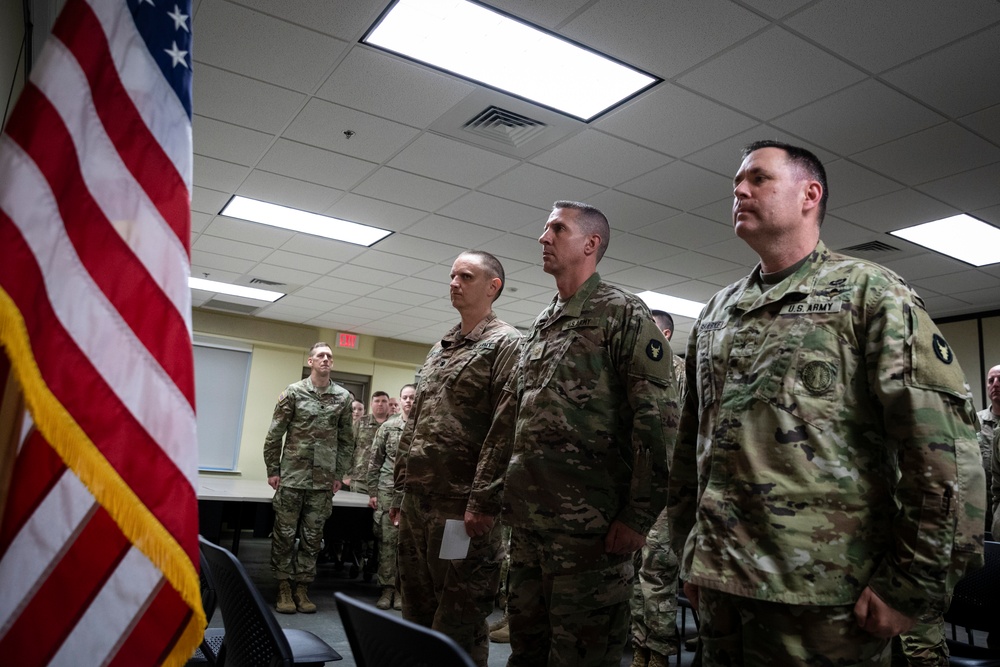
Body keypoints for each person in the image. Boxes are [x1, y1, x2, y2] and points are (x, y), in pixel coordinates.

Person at [667, 140, 985, 666]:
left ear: (809, 193)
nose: (740, 191)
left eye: (758, 179)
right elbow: (690, 447)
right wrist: (691, 555)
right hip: (722, 588)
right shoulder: (718, 311)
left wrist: (911, 587)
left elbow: (944, 456)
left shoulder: (871, 294)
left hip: (825, 600)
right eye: (735, 186)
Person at [500, 201, 679, 667]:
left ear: (590, 244)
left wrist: (639, 518)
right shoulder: (543, 321)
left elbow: (659, 425)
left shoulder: (622, 313)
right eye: (545, 228)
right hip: (530, 524)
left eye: (557, 228)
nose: (543, 237)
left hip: (589, 532)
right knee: (526, 651)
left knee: (580, 655)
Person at [389, 250, 522, 667]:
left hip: (461, 509)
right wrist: (399, 487)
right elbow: (416, 420)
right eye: (451, 275)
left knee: (458, 621)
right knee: (416, 612)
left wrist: (483, 501)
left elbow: (506, 428)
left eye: (465, 276)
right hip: (418, 503)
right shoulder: (441, 346)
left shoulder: (506, 344)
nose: (454, 282)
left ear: (492, 287)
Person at [263, 342, 353, 614]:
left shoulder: (343, 397)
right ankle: (283, 587)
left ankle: (302, 587)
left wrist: (339, 474)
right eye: (321, 356)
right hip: (292, 476)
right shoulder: (293, 393)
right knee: (284, 535)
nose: (326, 359)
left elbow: (347, 441)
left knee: (313, 537)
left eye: (329, 356)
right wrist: (273, 469)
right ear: (310, 361)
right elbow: (274, 434)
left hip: (323, 482)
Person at [630, 310, 686, 667]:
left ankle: (660, 653)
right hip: (638, 487)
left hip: (669, 489)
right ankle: (641, 647)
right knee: (637, 572)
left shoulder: (677, 370)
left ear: (664, 332)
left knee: (656, 571)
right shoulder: (637, 368)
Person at [366, 383, 416, 610]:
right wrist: (373, 492)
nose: (408, 401)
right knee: (387, 542)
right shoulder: (388, 427)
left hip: (414, 494)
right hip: (388, 492)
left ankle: (402, 590)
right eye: (405, 397)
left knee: (409, 544)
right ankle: (386, 589)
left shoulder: (425, 427)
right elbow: (374, 461)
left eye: (412, 398)